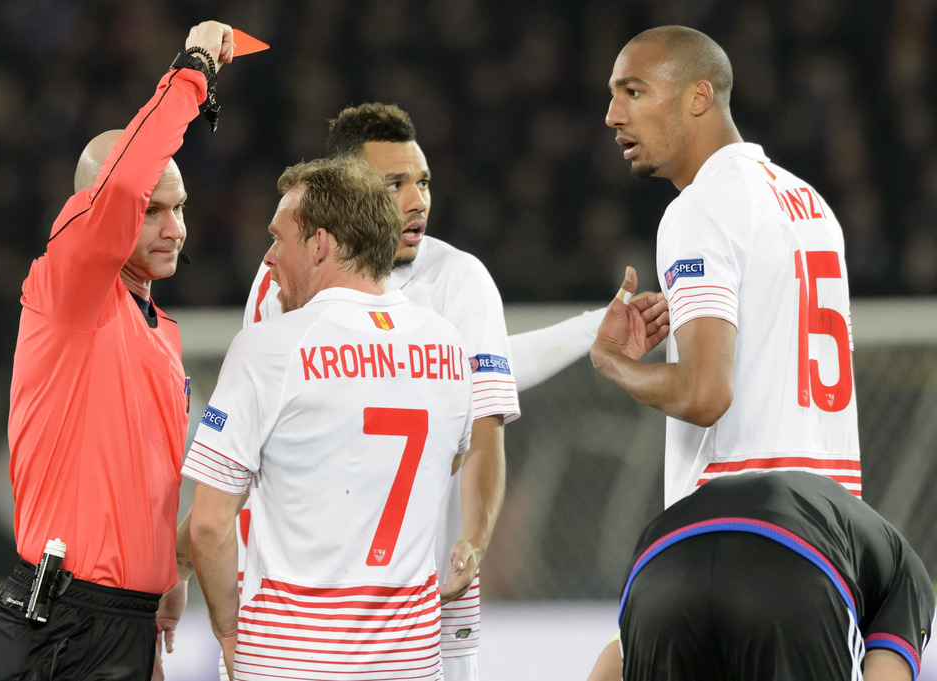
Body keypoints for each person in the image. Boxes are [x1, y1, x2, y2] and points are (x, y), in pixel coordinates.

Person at [238, 103, 669, 681]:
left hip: (424, 594)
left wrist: (473, 539)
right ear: (343, 191)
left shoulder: (457, 280)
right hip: (298, 599)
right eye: (395, 183)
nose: (418, 200)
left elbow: (485, 411)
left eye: (423, 181)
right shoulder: (279, 279)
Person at [586, 25, 863, 680]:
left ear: (698, 96)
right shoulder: (810, 204)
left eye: (633, 90)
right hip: (826, 542)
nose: (612, 114)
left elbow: (705, 394)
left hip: (731, 537)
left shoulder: (701, 208)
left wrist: (614, 363)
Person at [0, 21, 235, 681]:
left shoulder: (161, 330)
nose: (174, 227)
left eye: (179, 209)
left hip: (127, 624)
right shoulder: (71, 286)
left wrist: (163, 576)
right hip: (59, 625)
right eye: (154, 210)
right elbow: (122, 185)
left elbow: (146, 479)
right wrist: (193, 70)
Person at [184, 155, 476, 680]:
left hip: (290, 661)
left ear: (320, 243)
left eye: (278, 238)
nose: (269, 257)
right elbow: (444, 465)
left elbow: (208, 524)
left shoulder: (270, 349)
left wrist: (229, 631)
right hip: (409, 663)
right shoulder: (449, 345)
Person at [614, 471, 934, 680]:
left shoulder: (858, 534)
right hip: (793, 560)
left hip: (656, 570)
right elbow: (886, 673)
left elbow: (617, 658)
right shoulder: (909, 579)